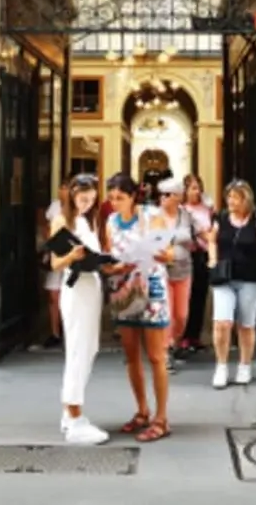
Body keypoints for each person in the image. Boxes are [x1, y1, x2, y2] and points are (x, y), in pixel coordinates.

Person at [49, 174, 129, 445]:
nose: (87, 203)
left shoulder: (88, 221)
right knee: (78, 351)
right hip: (76, 290)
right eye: (83, 198)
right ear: (72, 195)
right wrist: (72, 256)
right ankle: (74, 416)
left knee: (89, 348)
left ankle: (69, 412)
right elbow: (55, 263)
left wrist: (113, 265)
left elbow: (97, 259)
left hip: (92, 286)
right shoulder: (62, 220)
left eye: (92, 199)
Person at [102, 171, 173, 442]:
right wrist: (112, 266)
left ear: (133, 197)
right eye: (111, 198)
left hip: (150, 286)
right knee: (131, 355)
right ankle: (142, 410)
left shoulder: (151, 216)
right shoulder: (110, 221)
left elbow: (168, 253)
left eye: (120, 197)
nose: (115, 202)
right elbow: (109, 259)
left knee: (156, 355)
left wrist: (156, 253)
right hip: (124, 289)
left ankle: (161, 417)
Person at [207, 179, 256, 389]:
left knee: (246, 325)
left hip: (251, 279)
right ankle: (221, 366)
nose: (231, 201)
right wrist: (212, 259)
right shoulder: (220, 217)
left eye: (235, 197)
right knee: (222, 322)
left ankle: (244, 365)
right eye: (228, 197)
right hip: (224, 277)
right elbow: (211, 239)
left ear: (245, 199)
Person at [154, 175, 196, 372]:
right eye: (161, 194)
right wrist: (175, 237)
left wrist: (168, 237)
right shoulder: (155, 216)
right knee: (167, 312)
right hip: (162, 269)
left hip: (184, 269)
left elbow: (188, 235)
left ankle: (173, 342)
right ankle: (165, 350)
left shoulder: (185, 215)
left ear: (178, 196)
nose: (163, 198)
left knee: (181, 315)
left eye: (167, 194)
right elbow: (154, 239)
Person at [178, 174, 213, 355]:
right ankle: (183, 336)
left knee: (201, 295)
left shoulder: (206, 209)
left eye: (198, 187)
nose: (196, 191)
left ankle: (195, 336)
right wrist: (201, 232)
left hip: (204, 254)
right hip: (188, 255)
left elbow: (212, 229)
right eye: (192, 188)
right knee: (188, 297)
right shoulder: (182, 210)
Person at [37, 182, 69, 349]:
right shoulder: (55, 206)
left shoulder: (80, 207)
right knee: (53, 295)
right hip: (56, 254)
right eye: (61, 187)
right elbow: (46, 226)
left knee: (70, 295)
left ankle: (69, 330)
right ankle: (55, 332)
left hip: (72, 256)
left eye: (66, 187)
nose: (62, 191)